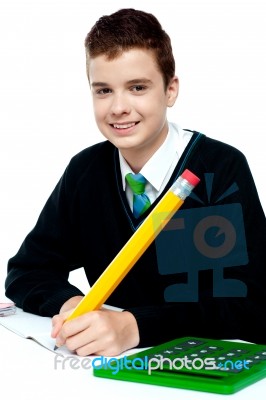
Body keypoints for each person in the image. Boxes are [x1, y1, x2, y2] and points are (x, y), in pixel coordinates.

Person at [5, 8, 266, 357]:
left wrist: (135, 327)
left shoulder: (218, 169)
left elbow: (251, 305)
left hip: (197, 370)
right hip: (99, 376)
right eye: (103, 90)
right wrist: (71, 304)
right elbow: (26, 270)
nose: (118, 107)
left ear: (170, 90)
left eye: (137, 87)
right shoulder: (85, 171)